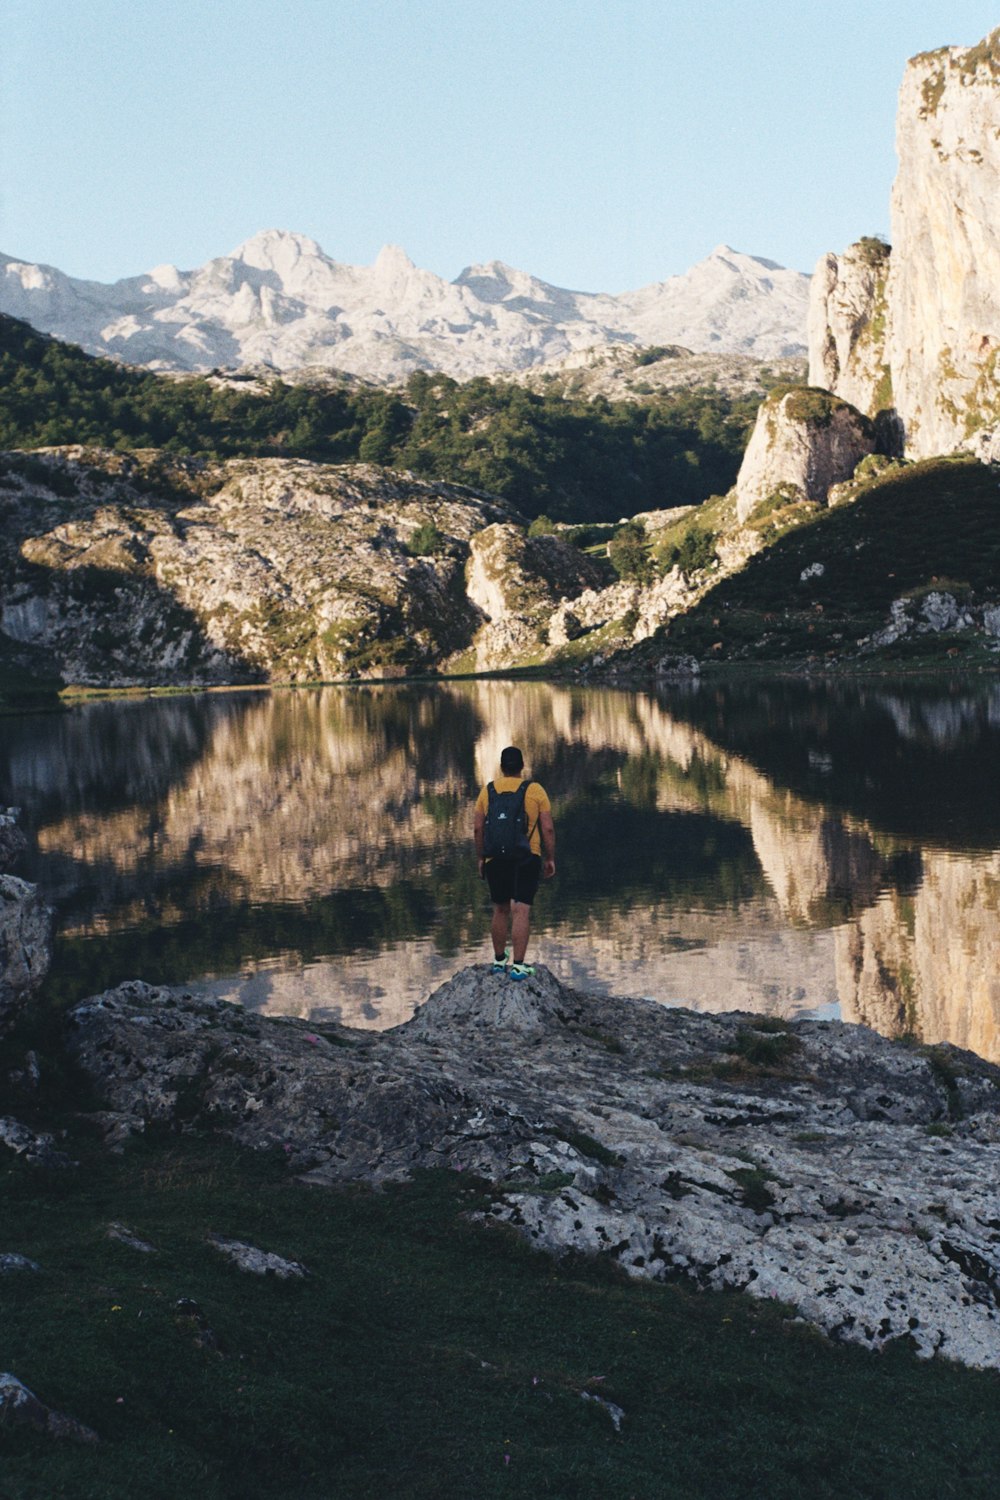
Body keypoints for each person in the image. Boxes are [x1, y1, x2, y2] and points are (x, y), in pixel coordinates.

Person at [473, 745, 556, 980]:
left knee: (500, 909)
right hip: (527, 857)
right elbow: (547, 828)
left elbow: (478, 828)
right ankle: (518, 967)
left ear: (501, 767)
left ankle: (499, 962)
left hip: (495, 858)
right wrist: (550, 858)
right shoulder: (535, 790)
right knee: (521, 910)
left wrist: (481, 857)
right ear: (522, 766)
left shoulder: (487, 792)